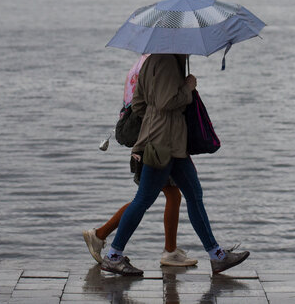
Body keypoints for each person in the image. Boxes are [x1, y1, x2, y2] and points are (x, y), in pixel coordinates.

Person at [100, 53, 249, 276]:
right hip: (163, 143)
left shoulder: (150, 61)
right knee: (143, 200)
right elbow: (166, 101)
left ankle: (217, 255)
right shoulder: (168, 61)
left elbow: (139, 104)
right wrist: (187, 87)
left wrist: (155, 117)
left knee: (194, 194)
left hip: (171, 141)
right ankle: (113, 256)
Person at [83, 54, 197, 268]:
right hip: (157, 140)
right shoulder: (162, 64)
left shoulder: (145, 64)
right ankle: (103, 236)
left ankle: (167, 249)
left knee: (161, 195)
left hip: (153, 137)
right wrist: (186, 89)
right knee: (149, 197)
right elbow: (160, 103)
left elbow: (139, 104)